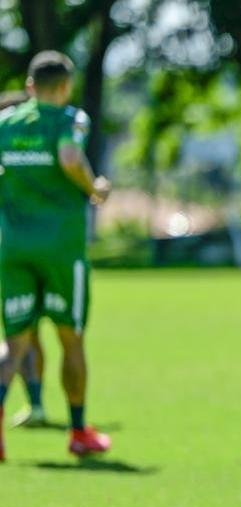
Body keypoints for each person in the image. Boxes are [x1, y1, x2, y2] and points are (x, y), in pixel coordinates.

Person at [0, 51, 112, 462]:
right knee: (71, 338)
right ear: (65, 87)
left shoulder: (5, 123)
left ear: (29, 86)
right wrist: (94, 188)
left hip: (12, 246)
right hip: (61, 248)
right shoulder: (71, 120)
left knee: (14, 344)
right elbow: (68, 157)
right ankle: (79, 431)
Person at [0, 88, 48, 429]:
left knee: (21, 337)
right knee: (20, 338)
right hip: (18, 255)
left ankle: (36, 404)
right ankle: (36, 403)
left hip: (14, 255)